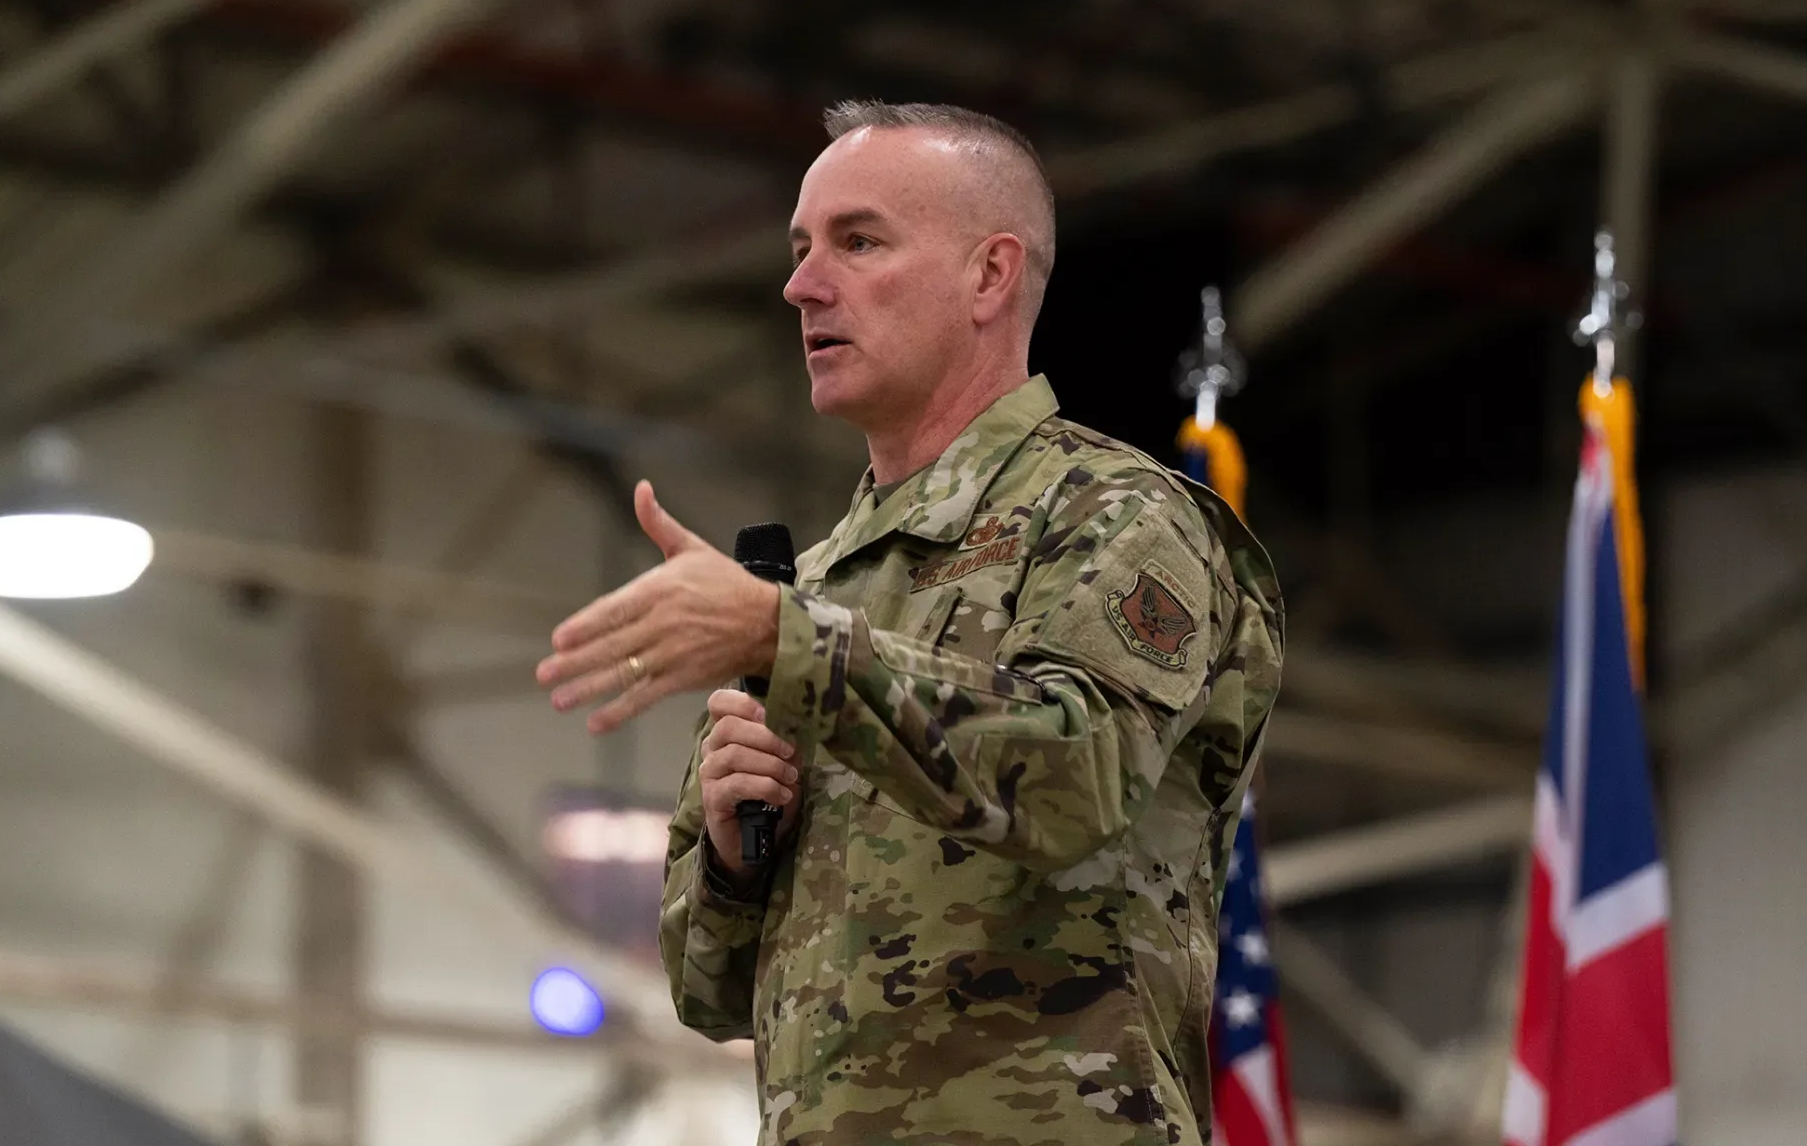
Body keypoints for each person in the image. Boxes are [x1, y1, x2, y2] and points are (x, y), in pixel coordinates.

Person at [535, 100, 1284, 1146]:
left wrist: (788, 645)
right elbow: (709, 993)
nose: (801, 285)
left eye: (857, 242)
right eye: (799, 249)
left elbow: (1078, 777)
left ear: (989, 276)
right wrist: (733, 862)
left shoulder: (1117, 514)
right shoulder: (807, 586)